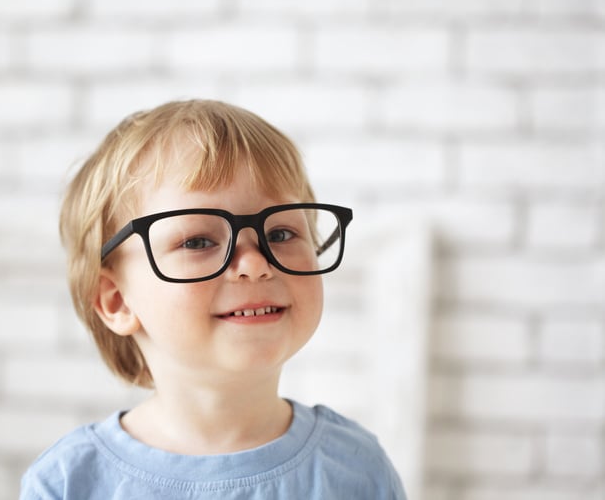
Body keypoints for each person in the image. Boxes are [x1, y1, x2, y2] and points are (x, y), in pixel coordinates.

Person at [20, 99, 406, 499]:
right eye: (198, 241)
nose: (254, 264)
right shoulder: (69, 484)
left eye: (280, 234)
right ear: (117, 300)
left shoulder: (356, 471)